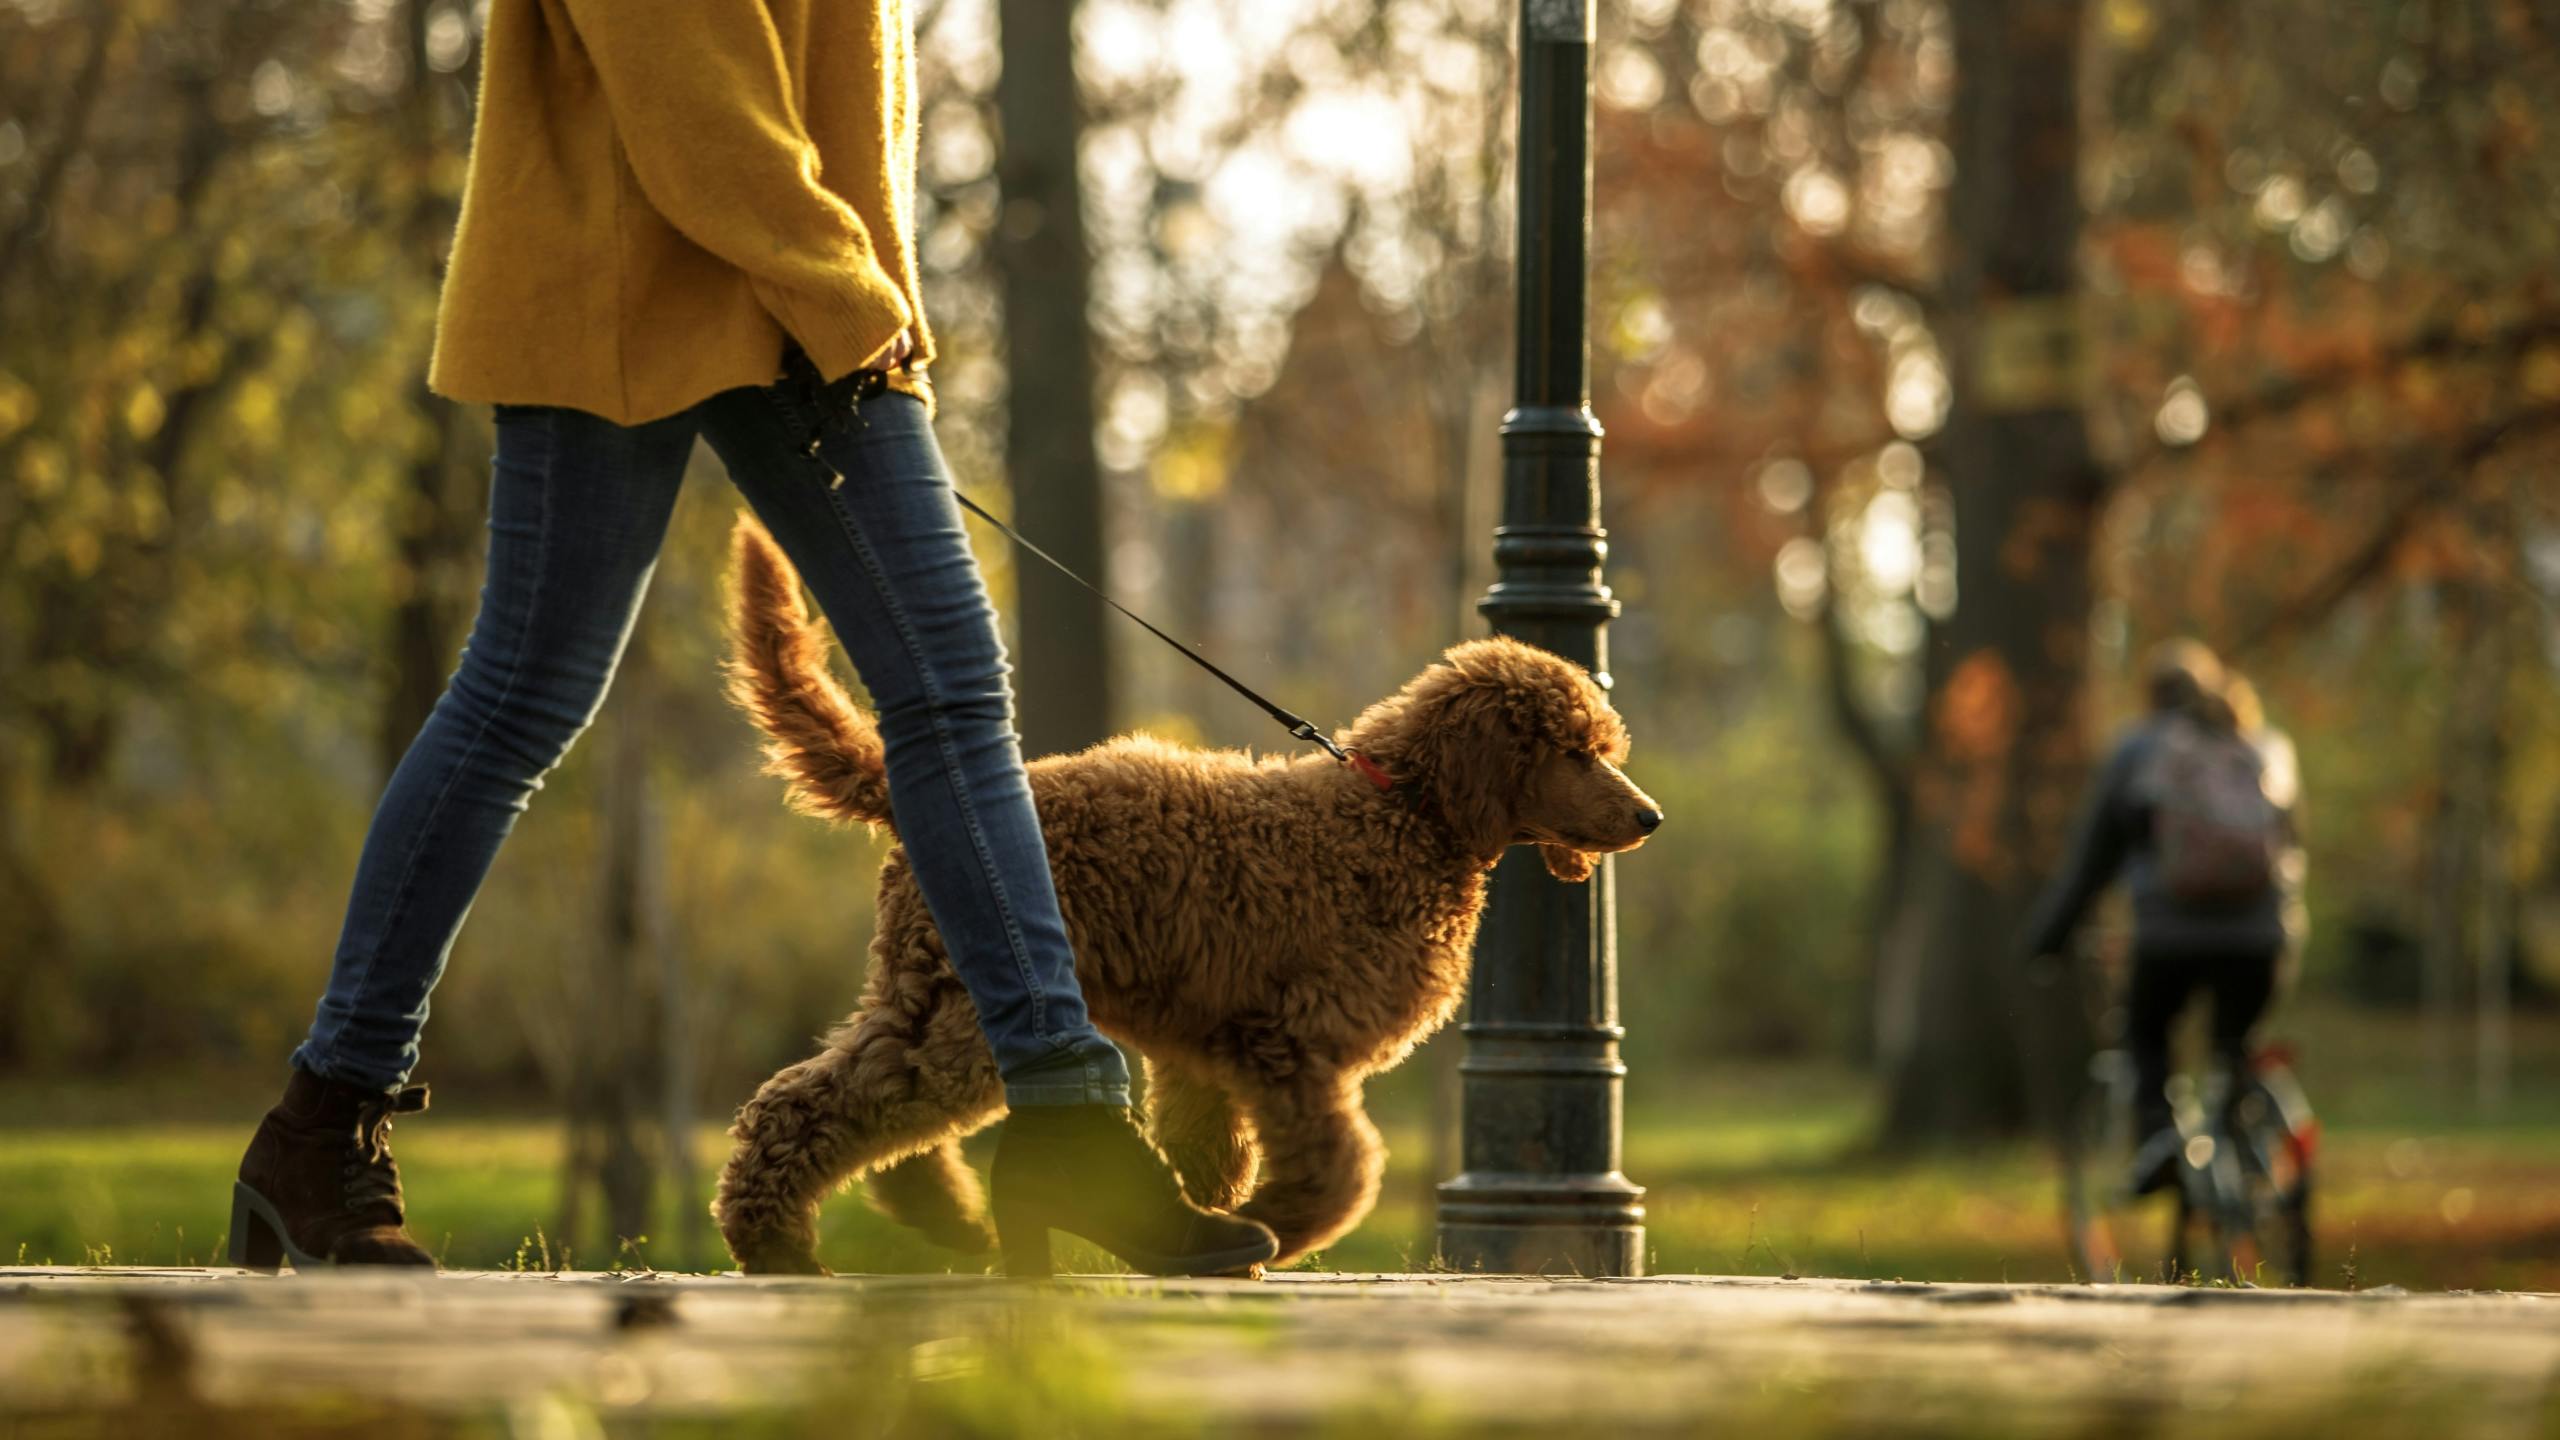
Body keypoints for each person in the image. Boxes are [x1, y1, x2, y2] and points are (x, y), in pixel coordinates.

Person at [228, 0, 1276, 1277]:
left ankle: (1066, 1115)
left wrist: (842, 274)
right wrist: (844, 284)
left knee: (949, 696)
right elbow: (688, 77)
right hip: (633, 263)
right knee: (520, 702)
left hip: (788, 281)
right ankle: (321, 1121)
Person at [2020, 640, 2295, 1196]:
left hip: (2172, 935)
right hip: (2262, 937)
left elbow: (2090, 862)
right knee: (2235, 1047)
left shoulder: (2139, 750)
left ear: (2152, 695)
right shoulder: (2263, 745)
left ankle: (2159, 1140)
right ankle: (2255, 1170)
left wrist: (2046, 938)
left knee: (2144, 1033)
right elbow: (2293, 845)